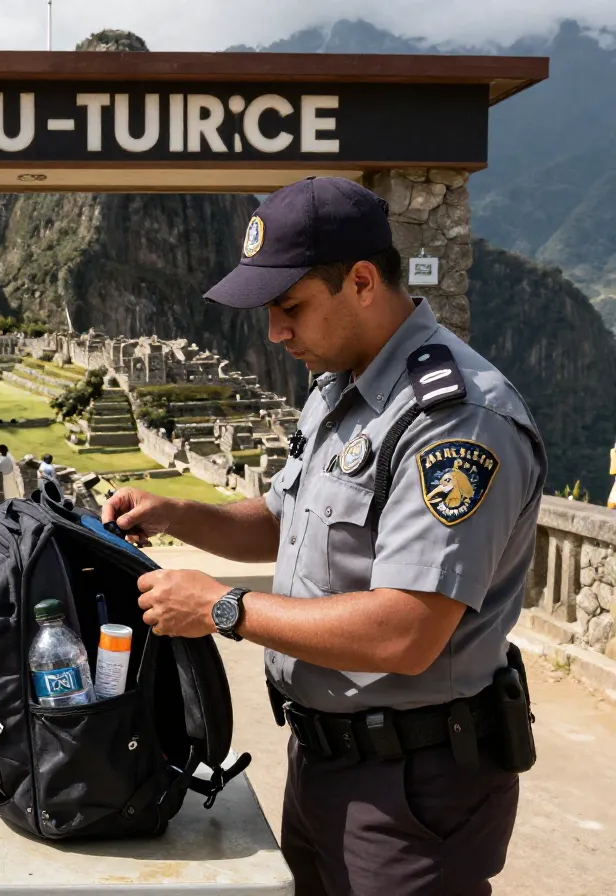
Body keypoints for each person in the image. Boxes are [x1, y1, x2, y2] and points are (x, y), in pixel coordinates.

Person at [102, 177, 547, 895]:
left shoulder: (455, 419)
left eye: (291, 307)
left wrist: (225, 609)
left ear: (363, 282)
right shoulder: (342, 389)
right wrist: (177, 512)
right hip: (323, 762)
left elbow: (407, 631)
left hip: (412, 787)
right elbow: (284, 523)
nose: (276, 332)